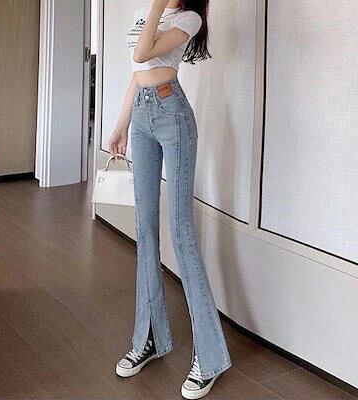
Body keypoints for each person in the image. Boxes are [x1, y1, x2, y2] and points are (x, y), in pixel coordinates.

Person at [109, 1, 232, 398]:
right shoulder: (146, 15)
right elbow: (137, 72)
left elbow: (143, 52)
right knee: (144, 228)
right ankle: (149, 338)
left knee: (181, 233)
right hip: (142, 117)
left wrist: (157, 4)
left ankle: (209, 358)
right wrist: (121, 124)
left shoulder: (189, 18)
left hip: (172, 113)